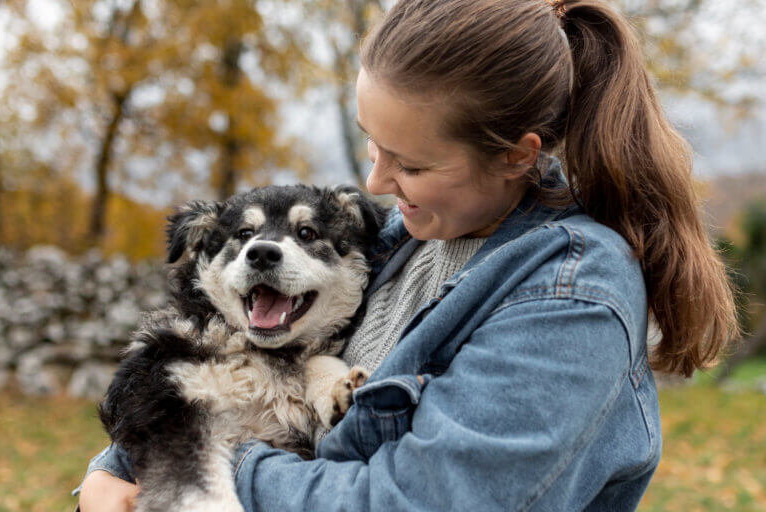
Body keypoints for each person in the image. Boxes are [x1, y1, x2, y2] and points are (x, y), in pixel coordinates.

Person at [76, 0, 739, 510]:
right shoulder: (399, 240)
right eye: (373, 145)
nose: (374, 184)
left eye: (411, 164)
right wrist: (121, 460)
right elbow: (242, 364)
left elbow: (411, 501)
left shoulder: (571, 298)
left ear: (518, 155)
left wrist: (205, 462)